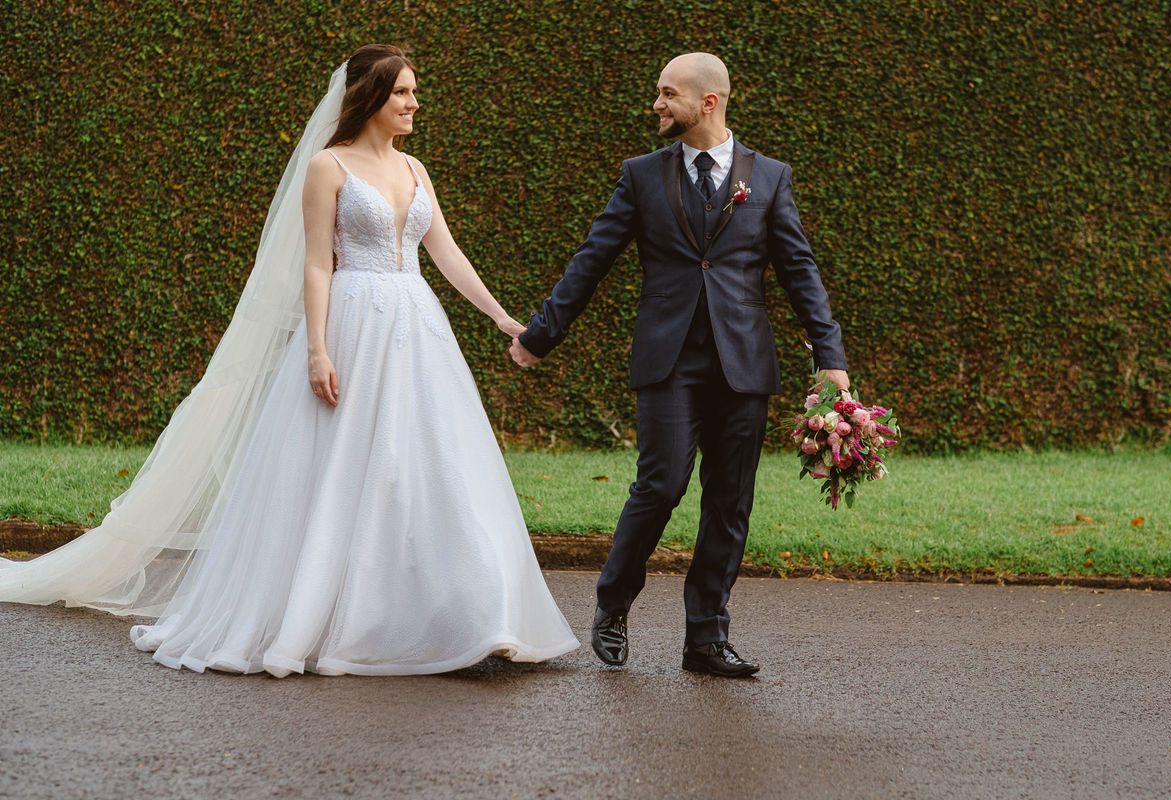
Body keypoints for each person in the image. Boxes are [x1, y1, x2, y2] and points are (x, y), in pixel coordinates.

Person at [0, 45, 578, 676]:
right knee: (342, 471)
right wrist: (318, 349)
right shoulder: (328, 166)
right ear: (370, 97)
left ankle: (477, 616)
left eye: (414, 91)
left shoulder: (415, 168)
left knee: (438, 463)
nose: (414, 103)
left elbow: (445, 251)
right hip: (353, 323)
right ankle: (334, 616)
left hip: (418, 327)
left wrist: (500, 316)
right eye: (402, 93)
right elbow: (317, 263)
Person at [509, 52, 849, 678]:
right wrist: (542, 333)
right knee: (662, 485)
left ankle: (706, 639)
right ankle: (613, 603)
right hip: (668, 361)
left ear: (707, 102)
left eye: (668, 94)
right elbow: (594, 256)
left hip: (743, 363)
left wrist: (830, 356)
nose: (657, 104)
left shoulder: (769, 177)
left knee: (729, 500)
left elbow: (799, 270)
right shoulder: (641, 175)